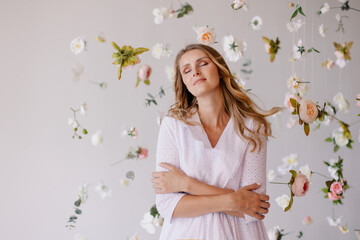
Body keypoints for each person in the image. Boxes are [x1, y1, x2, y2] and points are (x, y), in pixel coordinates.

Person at [151, 44, 281, 240]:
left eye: (202, 63)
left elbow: (255, 207)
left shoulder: (253, 128)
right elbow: (167, 205)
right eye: (186, 70)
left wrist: (188, 185)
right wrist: (234, 201)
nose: (195, 72)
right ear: (184, 82)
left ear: (220, 71)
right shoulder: (172, 127)